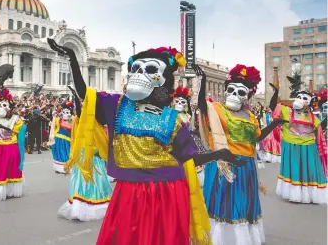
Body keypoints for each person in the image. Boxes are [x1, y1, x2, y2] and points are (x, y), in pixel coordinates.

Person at [48, 39, 243, 245]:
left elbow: (189, 159)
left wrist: (218, 154)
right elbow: (85, 96)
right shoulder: (117, 106)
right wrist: (72, 58)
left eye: (150, 69)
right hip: (129, 192)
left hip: (167, 193)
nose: (140, 74)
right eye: (136, 68)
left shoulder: (173, 119)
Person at [196, 64, 285, 245]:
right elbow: (201, 106)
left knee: (242, 203)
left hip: (246, 166)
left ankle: (240, 239)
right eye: (231, 90)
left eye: (241, 92)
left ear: (248, 96)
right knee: (221, 203)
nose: (235, 95)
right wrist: (202, 82)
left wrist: (275, 123)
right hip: (223, 165)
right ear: (226, 89)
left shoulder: (251, 116)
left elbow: (257, 137)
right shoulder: (216, 109)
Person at [57, 86, 112, 221]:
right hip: (83, 155)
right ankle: (80, 205)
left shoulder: (99, 118)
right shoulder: (81, 119)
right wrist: (76, 96)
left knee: (97, 179)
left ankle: (94, 203)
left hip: (95, 154)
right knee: (81, 180)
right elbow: (80, 112)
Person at [273, 85, 327, 204]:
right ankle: (295, 194)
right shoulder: (287, 111)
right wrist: (275, 93)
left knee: (310, 170)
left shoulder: (312, 117)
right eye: (298, 97)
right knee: (295, 170)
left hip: (309, 147)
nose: (301, 99)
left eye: (304, 98)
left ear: (309, 102)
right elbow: (274, 107)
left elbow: (319, 128)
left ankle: (309, 194)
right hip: (292, 146)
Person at [0, 89, 27, 201]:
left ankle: (9, 191)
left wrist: (21, 159)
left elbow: (21, 142)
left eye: (4, 105)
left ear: (10, 108)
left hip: (10, 148)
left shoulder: (16, 120)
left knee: (8, 169)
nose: (0, 108)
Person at [48, 101, 73, 173]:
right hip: (61, 138)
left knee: (63, 153)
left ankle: (63, 167)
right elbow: (53, 128)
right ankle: (62, 167)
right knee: (62, 152)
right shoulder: (57, 119)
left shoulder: (71, 119)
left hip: (64, 139)